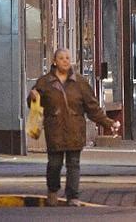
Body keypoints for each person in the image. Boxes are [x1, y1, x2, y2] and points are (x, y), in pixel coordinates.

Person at [28, 48, 120, 207]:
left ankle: (73, 196)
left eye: (67, 58)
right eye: (61, 58)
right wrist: (32, 97)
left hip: (75, 130)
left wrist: (108, 122)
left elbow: (92, 108)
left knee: (73, 164)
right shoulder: (45, 82)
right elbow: (34, 106)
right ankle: (53, 191)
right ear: (54, 61)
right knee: (54, 164)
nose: (65, 61)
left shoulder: (80, 82)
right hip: (54, 130)